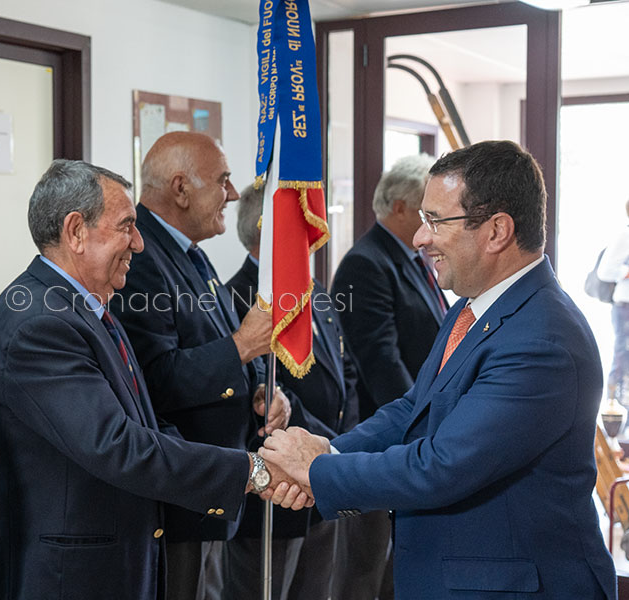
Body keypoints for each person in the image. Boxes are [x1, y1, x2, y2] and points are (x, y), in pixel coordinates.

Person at [262, 140, 617, 599]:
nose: (419, 238)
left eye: (435, 221)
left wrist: (316, 472)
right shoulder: (473, 306)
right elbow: (415, 409)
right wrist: (328, 451)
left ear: (497, 231)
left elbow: (442, 467)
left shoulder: (542, 340)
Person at [0, 159, 305, 600]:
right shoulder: (39, 325)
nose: (139, 243)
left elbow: (146, 422)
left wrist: (248, 462)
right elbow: (118, 446)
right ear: (76, 231)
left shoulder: (84, 308)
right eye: (127, 226)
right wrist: (253, 471)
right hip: (68, 579)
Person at [110, 131, 312, 600]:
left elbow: (222, 343)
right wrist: (241, 347)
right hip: (181, 497)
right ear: (181, 188)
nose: (234, 194)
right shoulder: (142, 259)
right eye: (223, 180)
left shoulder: (191, 254)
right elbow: (152, 381)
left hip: (212, 496)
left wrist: (264, 391)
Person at [223, 184, 360, 600]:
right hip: (277, 491)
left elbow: (346, 371)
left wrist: (340, 446)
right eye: (299, 223)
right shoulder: (237, 298)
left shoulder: (315, 290)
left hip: (326, 477)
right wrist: (318, 448)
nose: (313, 234)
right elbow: (257, 397)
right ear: (268, 229)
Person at [328, 152, 443, 600]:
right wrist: (423, 423)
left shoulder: (411, 258)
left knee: (393, 569)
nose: (431, 224)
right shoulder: (367, 263)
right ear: (398, 206)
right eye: (425, 211)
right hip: (385, 436)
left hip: (409, 436)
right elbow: (380, 361)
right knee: (365, 568)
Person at [597, 198, 629, 398]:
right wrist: (626, 272)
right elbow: (605, 271)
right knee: (622, 356)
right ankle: (614, 405)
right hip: (625, 306)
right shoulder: (625, 235)